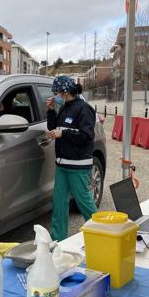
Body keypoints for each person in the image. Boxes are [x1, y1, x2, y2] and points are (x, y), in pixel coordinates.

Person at [46, 75, 97, 241]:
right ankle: (58, 240)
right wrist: (50, 110)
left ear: (65, 91)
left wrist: (64, 133)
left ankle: (102, 235)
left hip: (78, 166)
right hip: (62, 165)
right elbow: (53, 128)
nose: (55, 96)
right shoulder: (64, 107)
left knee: (85, 205)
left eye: (57, 93)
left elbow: (86, 136)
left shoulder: (84, 109)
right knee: (59, 206)